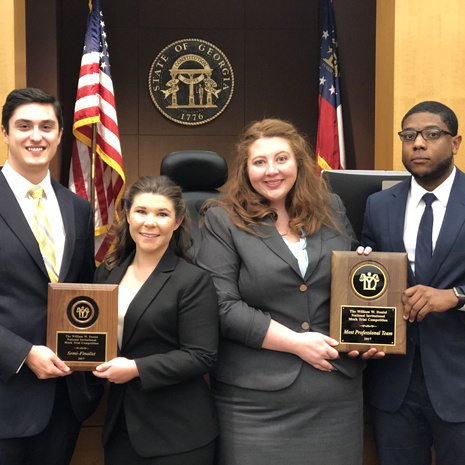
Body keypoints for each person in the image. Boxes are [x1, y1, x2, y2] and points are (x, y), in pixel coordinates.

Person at [196, 118, 366, 465]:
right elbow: (222, 305)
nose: (271, 170)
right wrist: (297, 343)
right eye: (259, 162)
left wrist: (366, 273)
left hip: (335, 395)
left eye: (281, 159)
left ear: (299, 163)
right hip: (254, 402)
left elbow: (348, 290)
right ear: (246, 169)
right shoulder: (222, 218)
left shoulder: (331, 207)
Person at [0, 87, 103, 464]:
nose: (36, 136)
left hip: (64, 399)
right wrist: (23, 353)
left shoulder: (78, 208)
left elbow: (85, 290)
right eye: (24, 126)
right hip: (6, 392)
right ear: (5, 133)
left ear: (60, 135)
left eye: (46, 126)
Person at [360, 101, 465, 465]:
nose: (418, 143)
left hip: (459, 379)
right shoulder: (378, 205)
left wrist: (456, 296)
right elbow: (369, 286)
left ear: (455, 142)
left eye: (431, 134)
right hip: (394, 386)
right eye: (408, 136)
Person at [92, 176, 219, 465]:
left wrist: (136, 368)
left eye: (162, 214)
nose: (150, 222)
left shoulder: (192, 280)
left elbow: (202, 355)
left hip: (177, 434)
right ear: (127, 215)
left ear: (177, 222)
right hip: (120, 428)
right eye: (141, 211)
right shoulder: (107, 273)